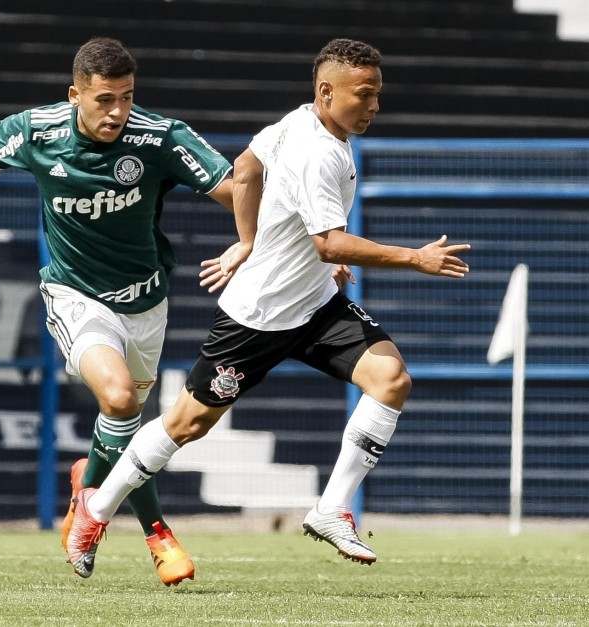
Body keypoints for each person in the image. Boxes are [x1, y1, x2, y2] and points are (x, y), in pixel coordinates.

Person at [64, 37, 470, 572]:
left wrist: (250, 238)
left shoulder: (301, 121)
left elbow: (246, 167)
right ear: (327, 91)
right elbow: (330, 241)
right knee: (187, 424)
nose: (374, 105)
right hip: (258, 315)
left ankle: (331, 508)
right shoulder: (316, 150)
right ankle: (97, 508)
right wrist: (413, 259)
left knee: (391, 379)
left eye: (377, 94)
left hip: (317, 306)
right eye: (364, 95)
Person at [0, 37, 253, 586]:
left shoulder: (160, 137)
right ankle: (155, 534)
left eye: (127, 97)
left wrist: (270, 243)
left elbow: (238, 188)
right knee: (121, 399)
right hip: (74, 295)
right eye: (105, 99)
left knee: (128, 428)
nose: (118, 112)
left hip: (147, 304)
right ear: (75, 94)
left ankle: (91, 483)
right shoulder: (37, 131)